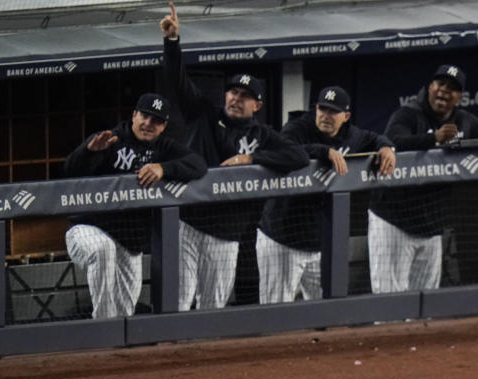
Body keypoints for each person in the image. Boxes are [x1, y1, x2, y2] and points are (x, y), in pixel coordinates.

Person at [160, 2, 309, 311]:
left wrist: (252, 160)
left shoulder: (263, 135)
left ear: (257, 105)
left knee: (212, 305)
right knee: (176, 301)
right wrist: (172, 43)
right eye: (233, 92)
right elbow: (177, 83)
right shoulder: (203, 113)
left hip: (227, 233)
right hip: (187, 222)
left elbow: (298, 156)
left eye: (245, 96)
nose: (236, 98)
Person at [367, 65, 478, 293]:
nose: (444, 91)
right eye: (440, 84)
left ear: (459, 97)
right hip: (392, 222)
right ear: (429, 88)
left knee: (424, 306)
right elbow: (394, 139)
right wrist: (433, 138)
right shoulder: (408, 113)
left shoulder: (463, 120)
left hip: (431, 228)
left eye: (452, 88)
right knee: (389, 305)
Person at [63, 93, 206, 319]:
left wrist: (163, 168)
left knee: (126, 312)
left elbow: (198, 165)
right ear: (134, 115)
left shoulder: (165, 148)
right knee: (103, 250)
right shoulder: (110, 139)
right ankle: (102, 327)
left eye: (156, 120)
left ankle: (116, 342)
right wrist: (88, 153)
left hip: (129, 243)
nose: (148, 124)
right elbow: (69, 171)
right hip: (88, 229)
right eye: (145, 116)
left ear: (163, 126)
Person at [257, 86, 396, 302]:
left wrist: (387, 147)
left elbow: (375, 138)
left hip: (320, 246)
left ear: (346, 116)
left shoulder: (352, 136)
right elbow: (285, 148)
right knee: (276, 317)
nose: (325, 115)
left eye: (333, 111)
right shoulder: (297, 127)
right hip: (281, 241)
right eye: (322, 109)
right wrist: (324, 151)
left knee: (329, 313)